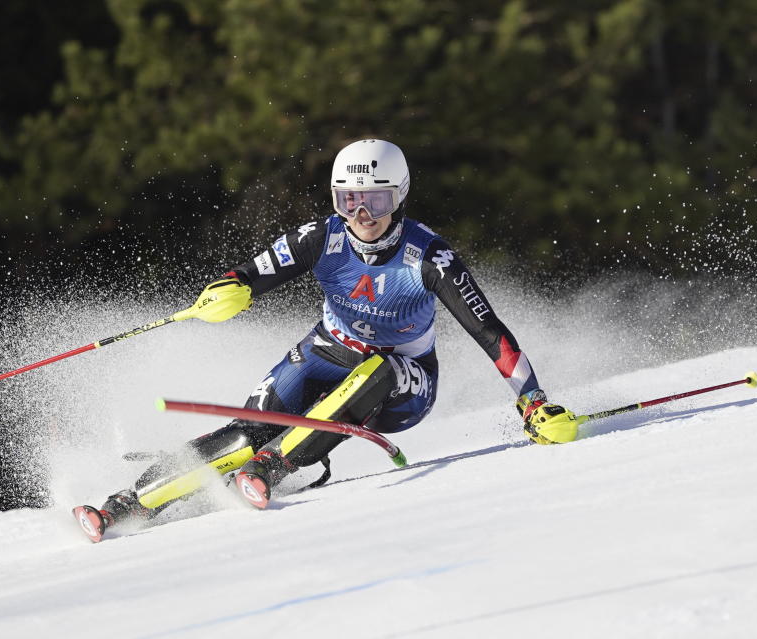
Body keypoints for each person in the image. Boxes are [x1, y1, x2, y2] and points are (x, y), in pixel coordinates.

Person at [73, 139, 578, 542]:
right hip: (328, 350)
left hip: (405, 381)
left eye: (376, 200)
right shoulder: (323, 237)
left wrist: (532, 402)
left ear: (399, 196)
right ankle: (124, 505)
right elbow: (253, 272)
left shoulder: (429, 257)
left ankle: (271, 467)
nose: (362, 215)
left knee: (376, 371)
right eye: (349, 200)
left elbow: (489, 332)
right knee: (248, 429)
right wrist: (230, 290)